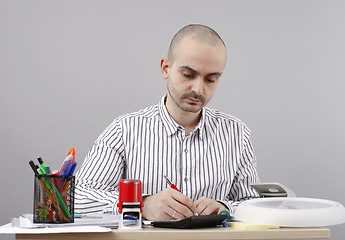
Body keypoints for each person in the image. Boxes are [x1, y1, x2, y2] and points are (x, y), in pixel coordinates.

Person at [75, 24, 259, 221]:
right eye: (188, 75)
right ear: (165, 68)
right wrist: (141, 205)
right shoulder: (124, 130)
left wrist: (225, 207)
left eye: (211, 79)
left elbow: (254, 204)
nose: (198, 89)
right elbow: (79, 197)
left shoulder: (236, 133)